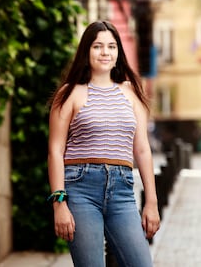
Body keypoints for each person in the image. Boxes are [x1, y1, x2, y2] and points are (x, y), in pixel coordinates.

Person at [47, 20, 160, 267]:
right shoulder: (69, 94)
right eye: (98, 46)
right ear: (86, 51)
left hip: (122, 190)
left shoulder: (132, 93)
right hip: (80, 190)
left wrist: (151, 201)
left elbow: (142, 149)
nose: (105, 52)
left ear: (119, 52)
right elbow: (55, 151)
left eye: (111, 46)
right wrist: (59, 204)